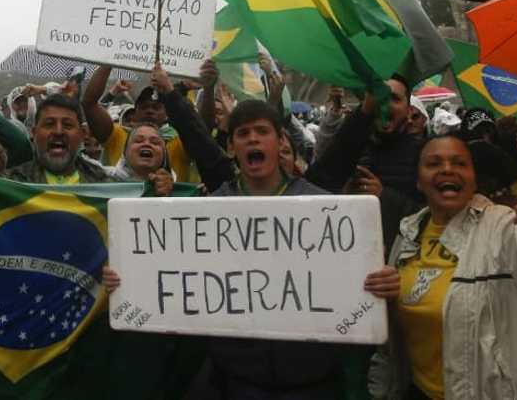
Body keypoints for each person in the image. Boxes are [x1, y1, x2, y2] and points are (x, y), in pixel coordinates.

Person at [116, 63, 399, 398]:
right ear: (232, 147)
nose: (252, 138)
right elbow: (196, 139)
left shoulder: (318, 202)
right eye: (243, 133)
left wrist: (382, 279)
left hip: (312, 380)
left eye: (262, 131)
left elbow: (343, 150)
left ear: (280, 141)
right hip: (236, 380)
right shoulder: (214, 206)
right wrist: (126, 277)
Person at [369, 134, 517, 400]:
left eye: (459, 163)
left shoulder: (507, 228)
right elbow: (397, 336)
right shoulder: (407, 233)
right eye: (434, 163)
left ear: (473, 179)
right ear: (418, 180)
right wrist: (386, 300)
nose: (447, 169)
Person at [0, 93, 111, 184]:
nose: (58, 131)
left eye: (67, 125)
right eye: (49, 124)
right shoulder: (12, 183)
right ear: (33, 132)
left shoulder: (105, 184)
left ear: (83, 133)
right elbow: (19, 144)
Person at [83, 64, 194, 181]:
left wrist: (206, 90)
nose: (150, 110)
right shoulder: (117, 135)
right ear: (134, 111)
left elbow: (202, 130)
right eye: (144, 106)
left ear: (166, 113)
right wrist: (108, 61)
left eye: (156, 107)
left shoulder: (179, 142)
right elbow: (90, 105)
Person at [322, 75, 423, 202]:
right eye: (379, 97)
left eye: (394, 98)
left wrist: (383, 196)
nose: (386, 104)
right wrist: (343, 194)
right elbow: (319, 182)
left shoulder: (422, 155)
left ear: (409, 111)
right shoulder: (351, 147)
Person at [105, 123, 174, 194]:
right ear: (125, 152)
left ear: (164, 155)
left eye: (155, 142)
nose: (147, 144)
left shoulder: (175, 185)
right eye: (138, 141)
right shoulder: (104, 176)